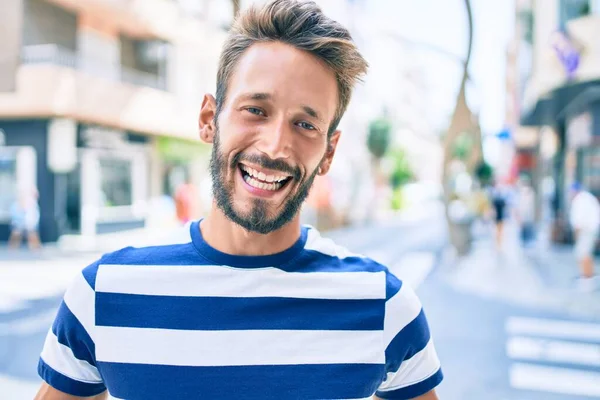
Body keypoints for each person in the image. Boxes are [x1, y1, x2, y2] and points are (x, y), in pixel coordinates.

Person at [35, 1, 442, 399]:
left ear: (329, 153)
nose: (275, 146)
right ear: (209, 119)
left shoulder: (386, 307)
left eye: (305, 124)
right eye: (255, 110)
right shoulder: (102, 292)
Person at [569, 182, 600, 292]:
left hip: (586, 230)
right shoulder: (587, 198)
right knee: (585, 254)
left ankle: (587, 279)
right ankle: (588, 277)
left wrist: (577, 236)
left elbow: (578, 221)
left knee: (583, 254)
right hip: (590, 229)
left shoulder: (580, 200)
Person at [8, 186, 41, 250]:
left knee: (32, 234)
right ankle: (12, 247)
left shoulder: (32, 204)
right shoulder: (16, 205)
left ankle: (35, 248)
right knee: (16, 233)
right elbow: (15, 216)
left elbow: (33, 217)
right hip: (18, 224)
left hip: (30, 224)